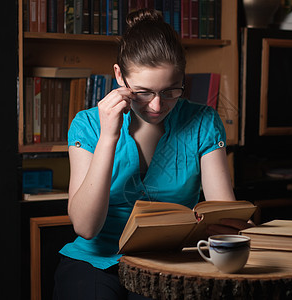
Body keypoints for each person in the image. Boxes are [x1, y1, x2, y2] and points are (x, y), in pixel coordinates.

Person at [53, 8, 253, 300]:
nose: (157, 106)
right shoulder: (87, 124)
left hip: (170, 261)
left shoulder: (203, 121)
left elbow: (222, 213)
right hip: (95, 261)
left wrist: (240, 229)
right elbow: (85, 227)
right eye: (144, 92)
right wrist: (109, 135)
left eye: (171, 91)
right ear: (120, 76)